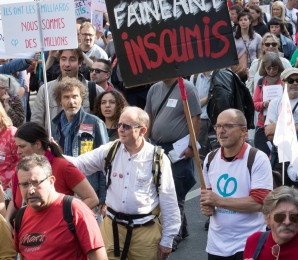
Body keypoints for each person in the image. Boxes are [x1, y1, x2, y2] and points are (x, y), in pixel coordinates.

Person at [67, 107, 181, 259]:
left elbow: (169, 199)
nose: (120, 129)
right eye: (119, 125)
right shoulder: (110, 150)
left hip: (145, 232)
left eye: (126, 126)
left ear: (142, 130)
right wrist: (50, 152)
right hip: (112, 228)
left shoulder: (158, 158)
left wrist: (168, 239)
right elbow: (78, 164)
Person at [201, 109, 273, 259]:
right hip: (216, 246)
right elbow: (208, 198)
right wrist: (207, 205)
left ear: (244, 131)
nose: (221, 131)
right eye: (218, 126)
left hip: (248, 245)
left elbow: (261, 203)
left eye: (228, 126)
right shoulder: (210, 159)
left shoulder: (257, 158)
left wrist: (218, 201)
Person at [13, 155, 107, 259]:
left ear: (51, 181)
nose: (31, 190)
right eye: (25, 185)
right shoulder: (21, 216)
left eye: (36, 183)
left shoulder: (75, 210)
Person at [145, 77, 201, 249]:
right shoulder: (154, 88)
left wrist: (192, 145)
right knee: (161, 189)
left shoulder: (187, 88)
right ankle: (181, 228)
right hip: (157, 147)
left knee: (176, 191)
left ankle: (174, 235)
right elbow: (148, 115)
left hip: (178, 150)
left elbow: (195, 118)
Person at [9, 122, 99, 220]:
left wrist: (63, 219)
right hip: (28, 228)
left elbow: (92, 198)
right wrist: (7, 219)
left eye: (22, 146)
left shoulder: (63, 166)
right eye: (17, 146)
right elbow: (16, 200)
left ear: (37, 144)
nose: (18, 151)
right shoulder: (22, 170)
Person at [50, 78, 108, 212]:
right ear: (60, 101)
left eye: (75, 96)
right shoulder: (54, 124)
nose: (71, 102)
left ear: (81, 98)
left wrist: (104, 198)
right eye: (66, 97)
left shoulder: (95, 123)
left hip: (89, 192)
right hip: (63, 190)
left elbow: (105, 162)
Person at [243, 186, 298, 259]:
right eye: (280, 217)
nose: (287, 222)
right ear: (267, 219)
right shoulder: (254, 242)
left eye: (293, 217)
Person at [34, 48, 104, 130]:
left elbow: (104, 124)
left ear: (80, 63)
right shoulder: (45, 90)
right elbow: (36, 124)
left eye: (72, 59)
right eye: (63, 59)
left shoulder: (95, 90)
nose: (67, 64)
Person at [264, 68, 298, 140]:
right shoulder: (274, 103)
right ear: (282, 83)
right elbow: (269, 132)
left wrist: (278, 128)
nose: (295, 83)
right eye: (290, 80)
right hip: (282, 149)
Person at [253, 53, 284, 129]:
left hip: (281, 123)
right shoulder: (261, 82)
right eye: (268, 68)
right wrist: (263, 104)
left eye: (275, 68)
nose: (271, 71)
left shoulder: (284, 81)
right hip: (262, 124)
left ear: (279, 67)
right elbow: (254, 104)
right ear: (264, 68)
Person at [234, 11, 263, 81]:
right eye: (240, 20)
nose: (243, 22)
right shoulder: (233, 37)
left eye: (245, 19)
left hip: (253, 68)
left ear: (250, 21)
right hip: (238, 69)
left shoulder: (257, 37)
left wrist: (258, 66)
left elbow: (260, 53)